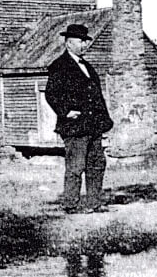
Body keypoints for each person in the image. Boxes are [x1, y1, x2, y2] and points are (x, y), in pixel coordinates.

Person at [45, 23, 114, 213]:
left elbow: (97, 96)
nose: (85, 45)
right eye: (80, 41)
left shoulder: (88, 67)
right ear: (68, 43)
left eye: (85, 41)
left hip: (93, 126)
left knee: (97, 165)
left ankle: (94, 203)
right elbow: (51, 93)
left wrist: (103, 120)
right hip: (75, 126)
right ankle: (71, 205)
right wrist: (65, 111)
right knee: (76, 167)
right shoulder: (59, 66)